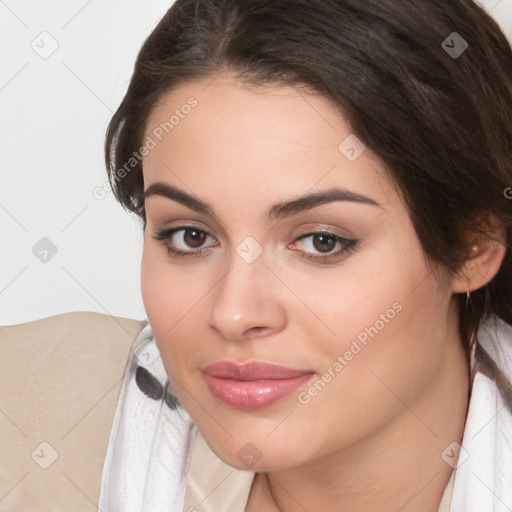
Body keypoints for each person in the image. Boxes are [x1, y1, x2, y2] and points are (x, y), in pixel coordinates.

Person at [97, 0, 512, 510]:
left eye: (321, 241)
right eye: (190, 236)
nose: (233, 314)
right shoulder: (23, 420)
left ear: (474, 246)